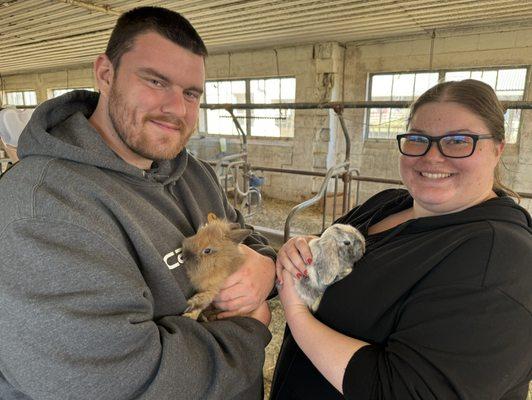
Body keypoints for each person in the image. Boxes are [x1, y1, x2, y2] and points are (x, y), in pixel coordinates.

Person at [0, 6, 277, 400]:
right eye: (155, 81)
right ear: (106, 74)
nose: (177, 109)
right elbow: (115, 383)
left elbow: (244, 238)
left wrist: (265, 269)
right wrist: (251, 328)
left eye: (191, 93)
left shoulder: (194, 172)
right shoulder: (42, 209)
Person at [270, 79, 532, 399]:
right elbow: (329, 269)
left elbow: (403, 392)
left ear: (497, 148)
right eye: (418, 139)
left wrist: (296, 315)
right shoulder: (386, 204)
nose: (432, 157)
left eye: (459, 140)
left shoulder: (501, 259)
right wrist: (304, 249)